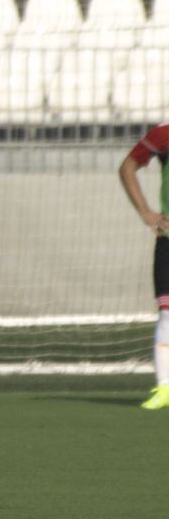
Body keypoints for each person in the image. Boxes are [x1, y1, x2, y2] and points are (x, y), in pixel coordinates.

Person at [118, 125, 169, 409]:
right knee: (167, 314)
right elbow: (127, 167)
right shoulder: (164, 134)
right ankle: (165, 388)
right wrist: (146, 213)